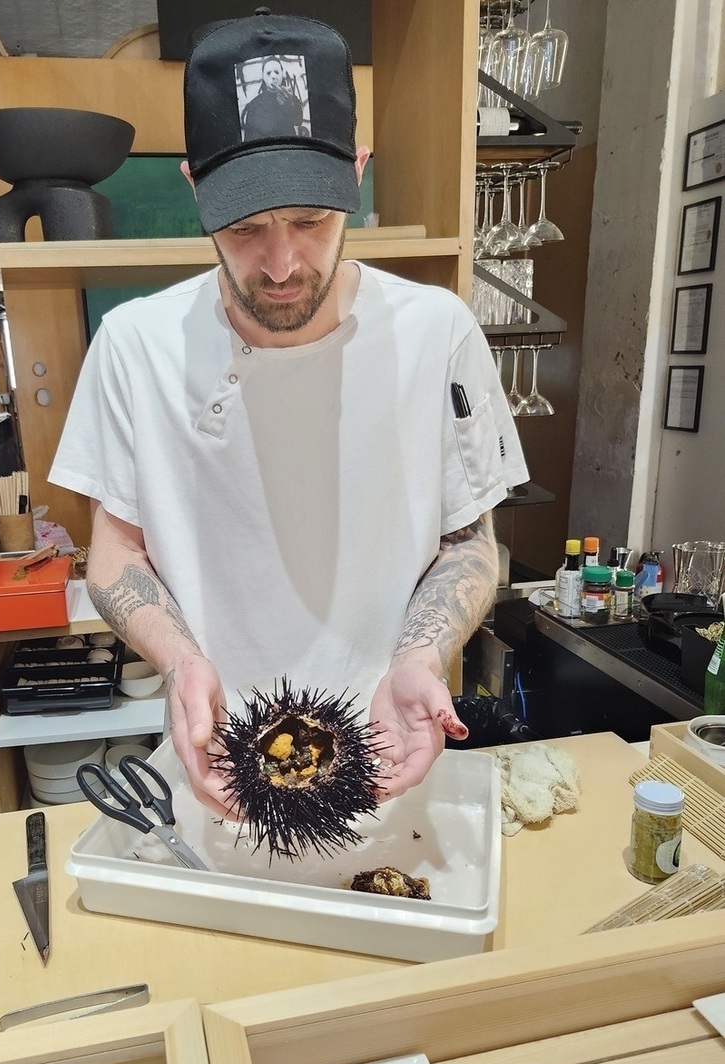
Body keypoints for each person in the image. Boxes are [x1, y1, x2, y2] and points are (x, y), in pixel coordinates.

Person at [49, 11, 529, 816]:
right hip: (215, 761)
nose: (280, 265)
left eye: (310, 220)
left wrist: (420, 658)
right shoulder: (134, 345)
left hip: (386, 750)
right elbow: (114, 552)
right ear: (194, 189)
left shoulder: (436, 332)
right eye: (243, 228)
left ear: (357, 172)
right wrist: (180, 663)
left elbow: (469, 543)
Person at [240, 55, 306, 140]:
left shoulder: (290, 98)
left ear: (282, 73)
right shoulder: (254, 105)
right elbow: (249, 138)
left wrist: (290, 105)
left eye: (276, 72)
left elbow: (298, 121)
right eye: (268, 73)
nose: (273, 76)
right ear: (263, 76)